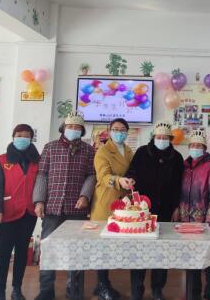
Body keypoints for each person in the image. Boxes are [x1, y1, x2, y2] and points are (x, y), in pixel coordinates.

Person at [32, 113, 95, 300]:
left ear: (82, 130)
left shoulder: (88, 150)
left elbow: (91, 175)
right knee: (48, 250)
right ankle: (46, 291)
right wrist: (39, 201)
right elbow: (42, 175)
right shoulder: (50, 147)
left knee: (76, 251)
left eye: (78, 127)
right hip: (52, 207)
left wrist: (85, 195)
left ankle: (74, 291)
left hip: (77, 208)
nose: (74, 130)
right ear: (63, 128)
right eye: (70, 126)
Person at [126, 121, 184, 300]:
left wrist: (176, 207)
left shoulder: (177, 157)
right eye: (159, 137)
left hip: (166, 210)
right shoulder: (142, 152)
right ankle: (137, 289)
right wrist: (131, 179)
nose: (162, 139)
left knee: (162, 251)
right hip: (143, 210)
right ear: (153, 137)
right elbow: (132, 172)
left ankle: (157, 289)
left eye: (165, 137)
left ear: (171, 139)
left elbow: (179, 185)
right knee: (139, 250)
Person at [0, 124, 40, 300]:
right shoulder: (2, 160)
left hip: (28, 213)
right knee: (4, 252)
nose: (22, 138)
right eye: (19, 135)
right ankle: (0, 291)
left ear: (31, 139)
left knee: (22, 252)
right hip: (7, 213)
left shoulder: (37, 160)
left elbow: (41, 184)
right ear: (13, 137)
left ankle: (17, 289)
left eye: (26, 135)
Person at [90, 118, 135, 300]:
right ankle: (102, 284)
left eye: (122, 129)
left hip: (124, 203)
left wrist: (131, 180)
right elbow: (103, 177)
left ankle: (102, 284)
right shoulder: (102, 151)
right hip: (106, 202)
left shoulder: (129, 151)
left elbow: (132, 171)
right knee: (103, 246)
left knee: (114, 246)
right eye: (115, 129)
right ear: (109, 131)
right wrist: (118, 181)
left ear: (127, 132)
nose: (119, 132)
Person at [179, 130, 210, 300]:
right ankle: (193, 293)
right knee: (191, 260)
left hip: (206, 223)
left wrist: (209, 223)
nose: (195, 148)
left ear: (205, 148)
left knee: (209, 260)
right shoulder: (185, 165)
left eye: (199, 145)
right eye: (192, 145)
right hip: (186, 221)